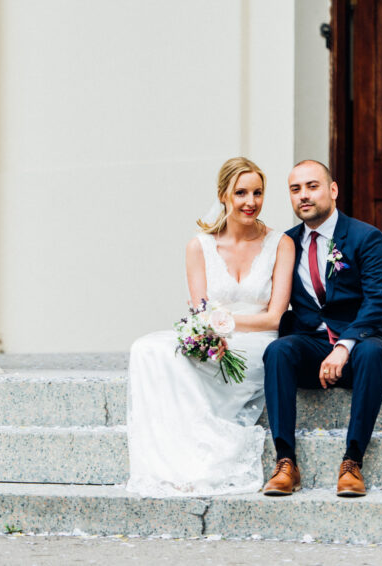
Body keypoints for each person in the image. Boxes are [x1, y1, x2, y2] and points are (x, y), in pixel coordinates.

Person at [126, 157, 294, 497]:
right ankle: (172, 460)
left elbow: (275, 317)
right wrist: (210, 330)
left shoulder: (281, 244)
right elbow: (200, 311)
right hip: (215, 339)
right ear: (223, 195)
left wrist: (226, 323)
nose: (251, 202)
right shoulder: (199, 246)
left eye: (258, 193)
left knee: (190, 363)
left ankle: (206, 457)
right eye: (241, 193)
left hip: (260, 341)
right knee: (147, 349)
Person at [262, 159, 382, 498]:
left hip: (363, 345)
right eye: (296, 189)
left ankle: (352, 462)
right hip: (313, 344)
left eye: (312, 186)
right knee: (278, 351)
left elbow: (377, 302)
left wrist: (344, 345)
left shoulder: (366, 237)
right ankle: (285, 462)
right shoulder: (287, 243)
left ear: (333, 190)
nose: (304, 196)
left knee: (368, 352)